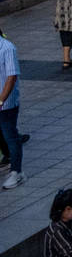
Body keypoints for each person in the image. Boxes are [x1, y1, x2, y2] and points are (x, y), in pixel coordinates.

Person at [0, 27, 21, 190]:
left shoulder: (7, 48)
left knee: (10, 135)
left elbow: (11, 76)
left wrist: (1, 101)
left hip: (6, 104)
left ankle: (16, 172)